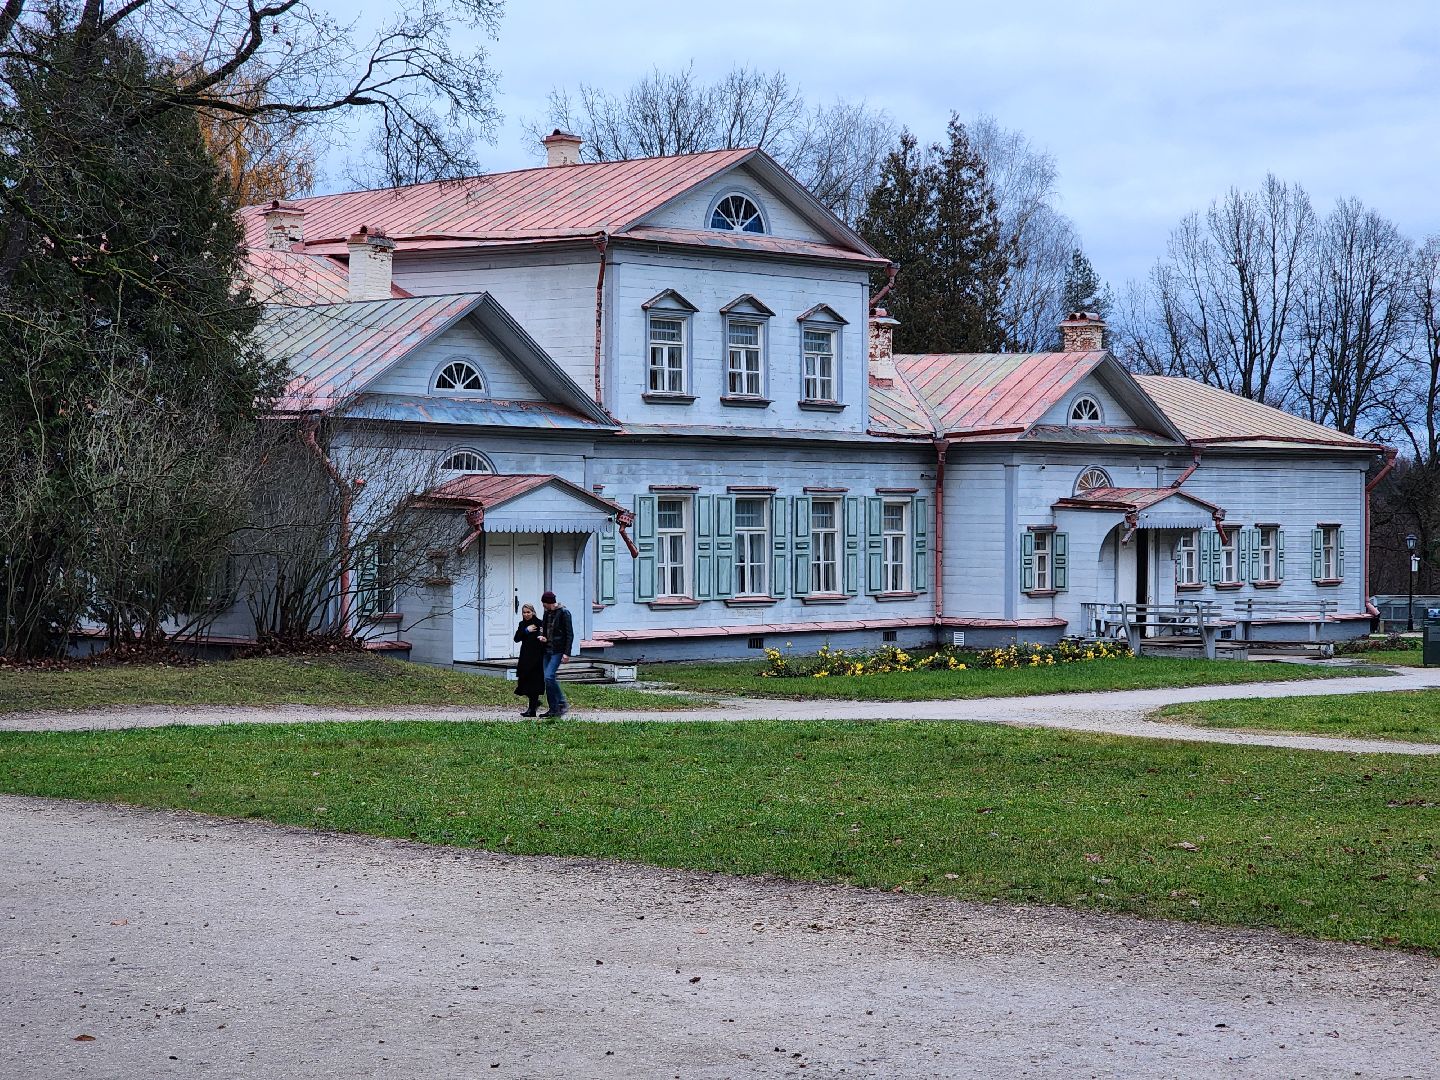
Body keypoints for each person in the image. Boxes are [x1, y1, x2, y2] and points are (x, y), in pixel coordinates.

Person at [538, 590, 573, 718]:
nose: (543, 606)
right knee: (547, 679)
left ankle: (562, 703)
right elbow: (544, 630)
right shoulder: (547, 613)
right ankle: (553, 709)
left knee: (549, 676)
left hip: (558, 650)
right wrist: (542, 637)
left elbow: (570, 634)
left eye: (544, 603)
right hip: (547, 650)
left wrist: (566, 653)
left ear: (549, 602)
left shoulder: (564, 613)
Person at [512, 603, 545, 717]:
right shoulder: (522, 624)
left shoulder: (539, 623)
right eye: (524, 612)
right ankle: (534, 704)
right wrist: (526, 630)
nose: (526, 614)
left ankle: (532, 709)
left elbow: (544, 637)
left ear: (533, 612)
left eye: (528, 612)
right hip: (525, 656)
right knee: (524, 682)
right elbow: (516, 638)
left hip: (536, 657)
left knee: (534, 683)